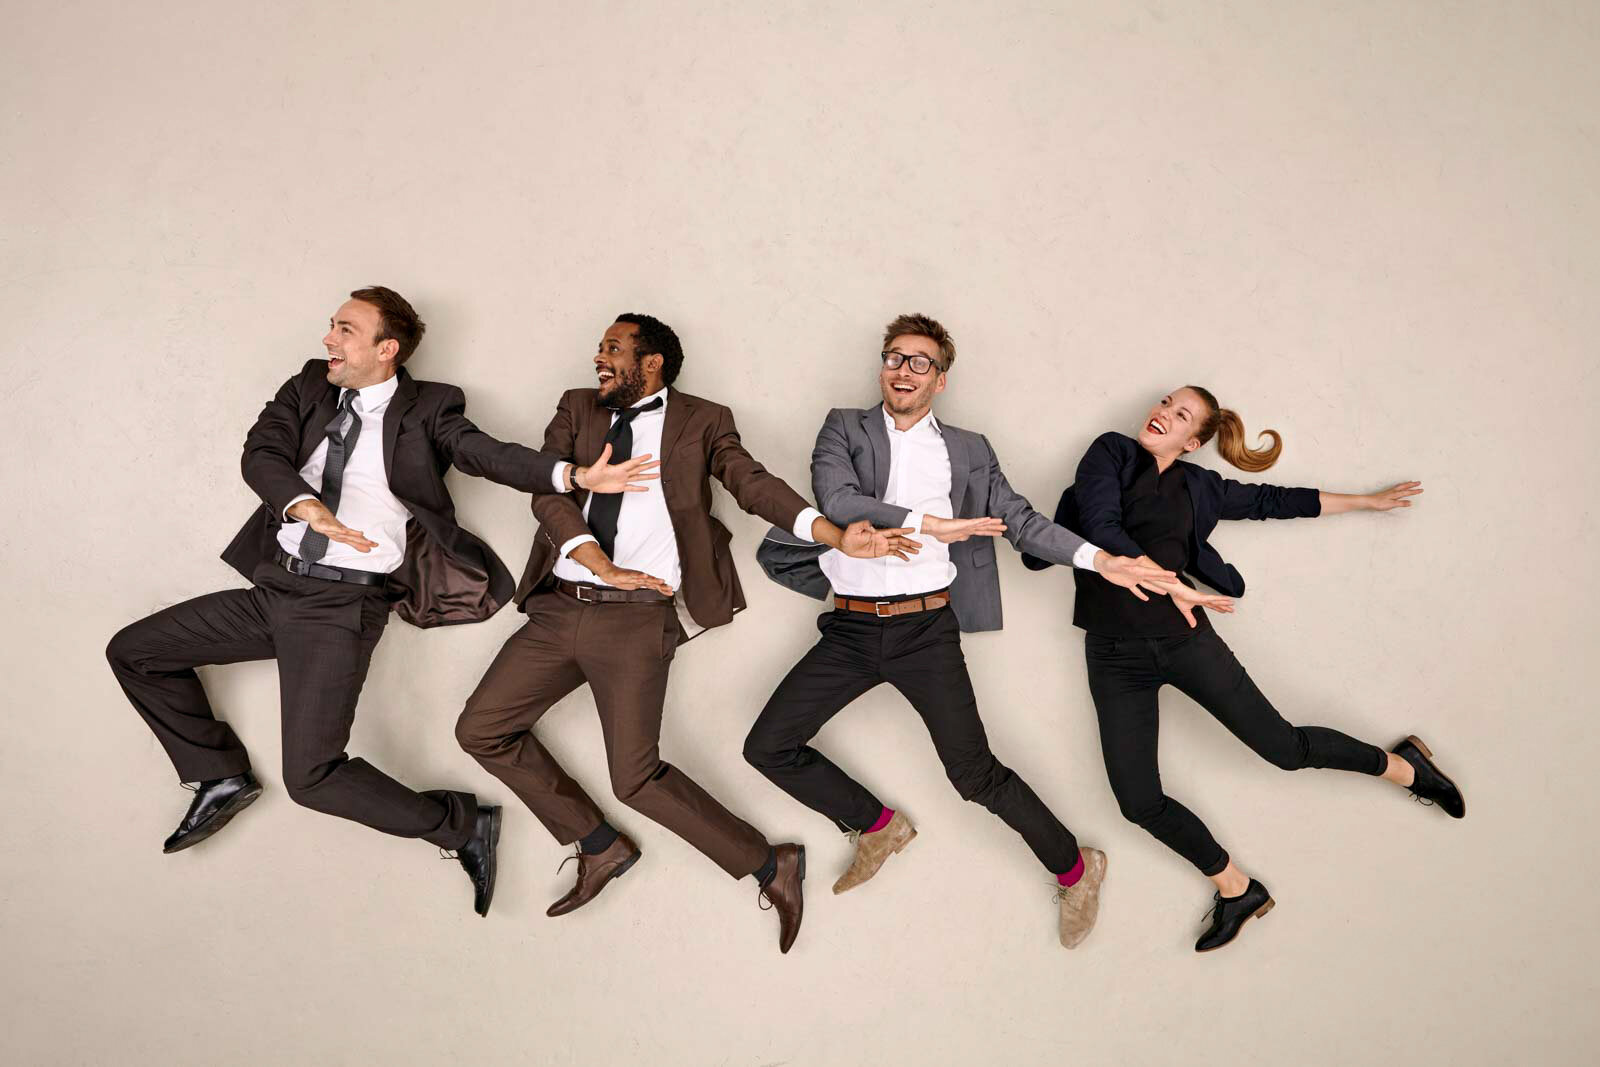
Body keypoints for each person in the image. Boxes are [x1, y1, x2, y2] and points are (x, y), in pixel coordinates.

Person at [106, 286, 654, 917]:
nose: (328, 339)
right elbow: (262, 453)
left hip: (339, 610)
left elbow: (485, 455)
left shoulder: (431, 408)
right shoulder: (309, 386)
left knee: (311, 778)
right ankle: (218, 773)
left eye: (345, 329)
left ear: (386, 348)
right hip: (277, 589)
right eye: (331, 326)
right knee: (136, 651)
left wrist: (574, 476)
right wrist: (305, 506)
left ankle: (459, 824)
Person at [454, 313, 914, 954]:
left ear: (652, 363)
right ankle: (598, 844)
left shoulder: (704, 420)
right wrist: (596, 559)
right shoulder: (577, 408)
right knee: (481, 729)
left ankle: (768, 863)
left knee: (635, 777)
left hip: (637, 620)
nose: (599, 357)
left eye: (613, 348)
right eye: (600, 347)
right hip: (560, 607)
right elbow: (547, 488)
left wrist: (834, 535)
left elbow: (753, 485)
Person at [749, 313, 1173, 949]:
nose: (904, 370)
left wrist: (1098, 560)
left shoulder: (969, 450)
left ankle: (1076, 868)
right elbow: (836, 501)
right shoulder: (844, 426)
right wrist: (931, 525)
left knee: (975, 776)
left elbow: (1021, 522)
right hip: (850, 631)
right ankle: (877, 826)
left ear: (940, 380)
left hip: (925, 631)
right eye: (895, 357)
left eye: (920, 362)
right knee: (768, 746)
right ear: (883, 367)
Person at [1024, 386, 1464, 952]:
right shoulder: (1110, 454)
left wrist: (1363, 501)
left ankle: (1404, 768)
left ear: (1193, 442)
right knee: (1138, 801)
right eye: (1166, 404)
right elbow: (1100, 527)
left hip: (1185, 642)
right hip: (1114, 656)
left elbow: (1272, 501)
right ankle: (1237, 889)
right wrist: (1170, 582)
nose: (1164, 414)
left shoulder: (1199, 487)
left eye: (1181, 415)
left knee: (1284, 749)